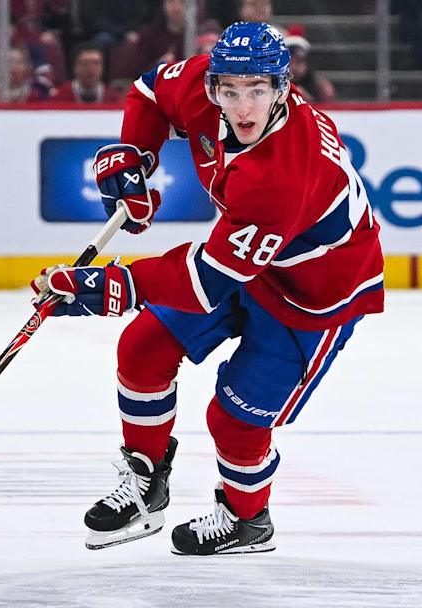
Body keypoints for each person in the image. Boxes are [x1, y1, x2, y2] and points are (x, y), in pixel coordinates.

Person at [29, 22, 383, 555]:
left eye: (258, 92)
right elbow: (149, 91)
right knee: (142, 348)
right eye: (232, 91)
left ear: (283, 89)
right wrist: (135, 157)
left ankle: (247, 520)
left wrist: (111, 284)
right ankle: (145, 482)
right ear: (215, 85)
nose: (243, 107)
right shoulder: (206, 86)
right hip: (251, 261)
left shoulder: (284, 175)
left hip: (315, 294)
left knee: (235, 419)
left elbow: (203, 283)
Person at [50, 42, 121, 103]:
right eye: (84, 63)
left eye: (95, 63)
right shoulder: (60, 96)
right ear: (74, 67)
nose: (90, 69)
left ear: (103, 67)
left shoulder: (114, 97)